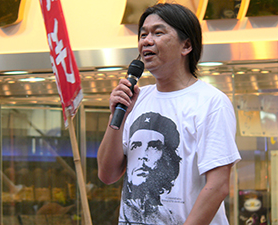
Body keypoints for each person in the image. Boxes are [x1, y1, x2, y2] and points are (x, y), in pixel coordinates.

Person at [97, 3, 241, 225]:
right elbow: (107, 175)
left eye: (158, 32)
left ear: (186, 45)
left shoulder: (211, 102)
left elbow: (218, 186)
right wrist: (117, 117)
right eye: (143, 34)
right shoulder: (136, 98)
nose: (146, 40)